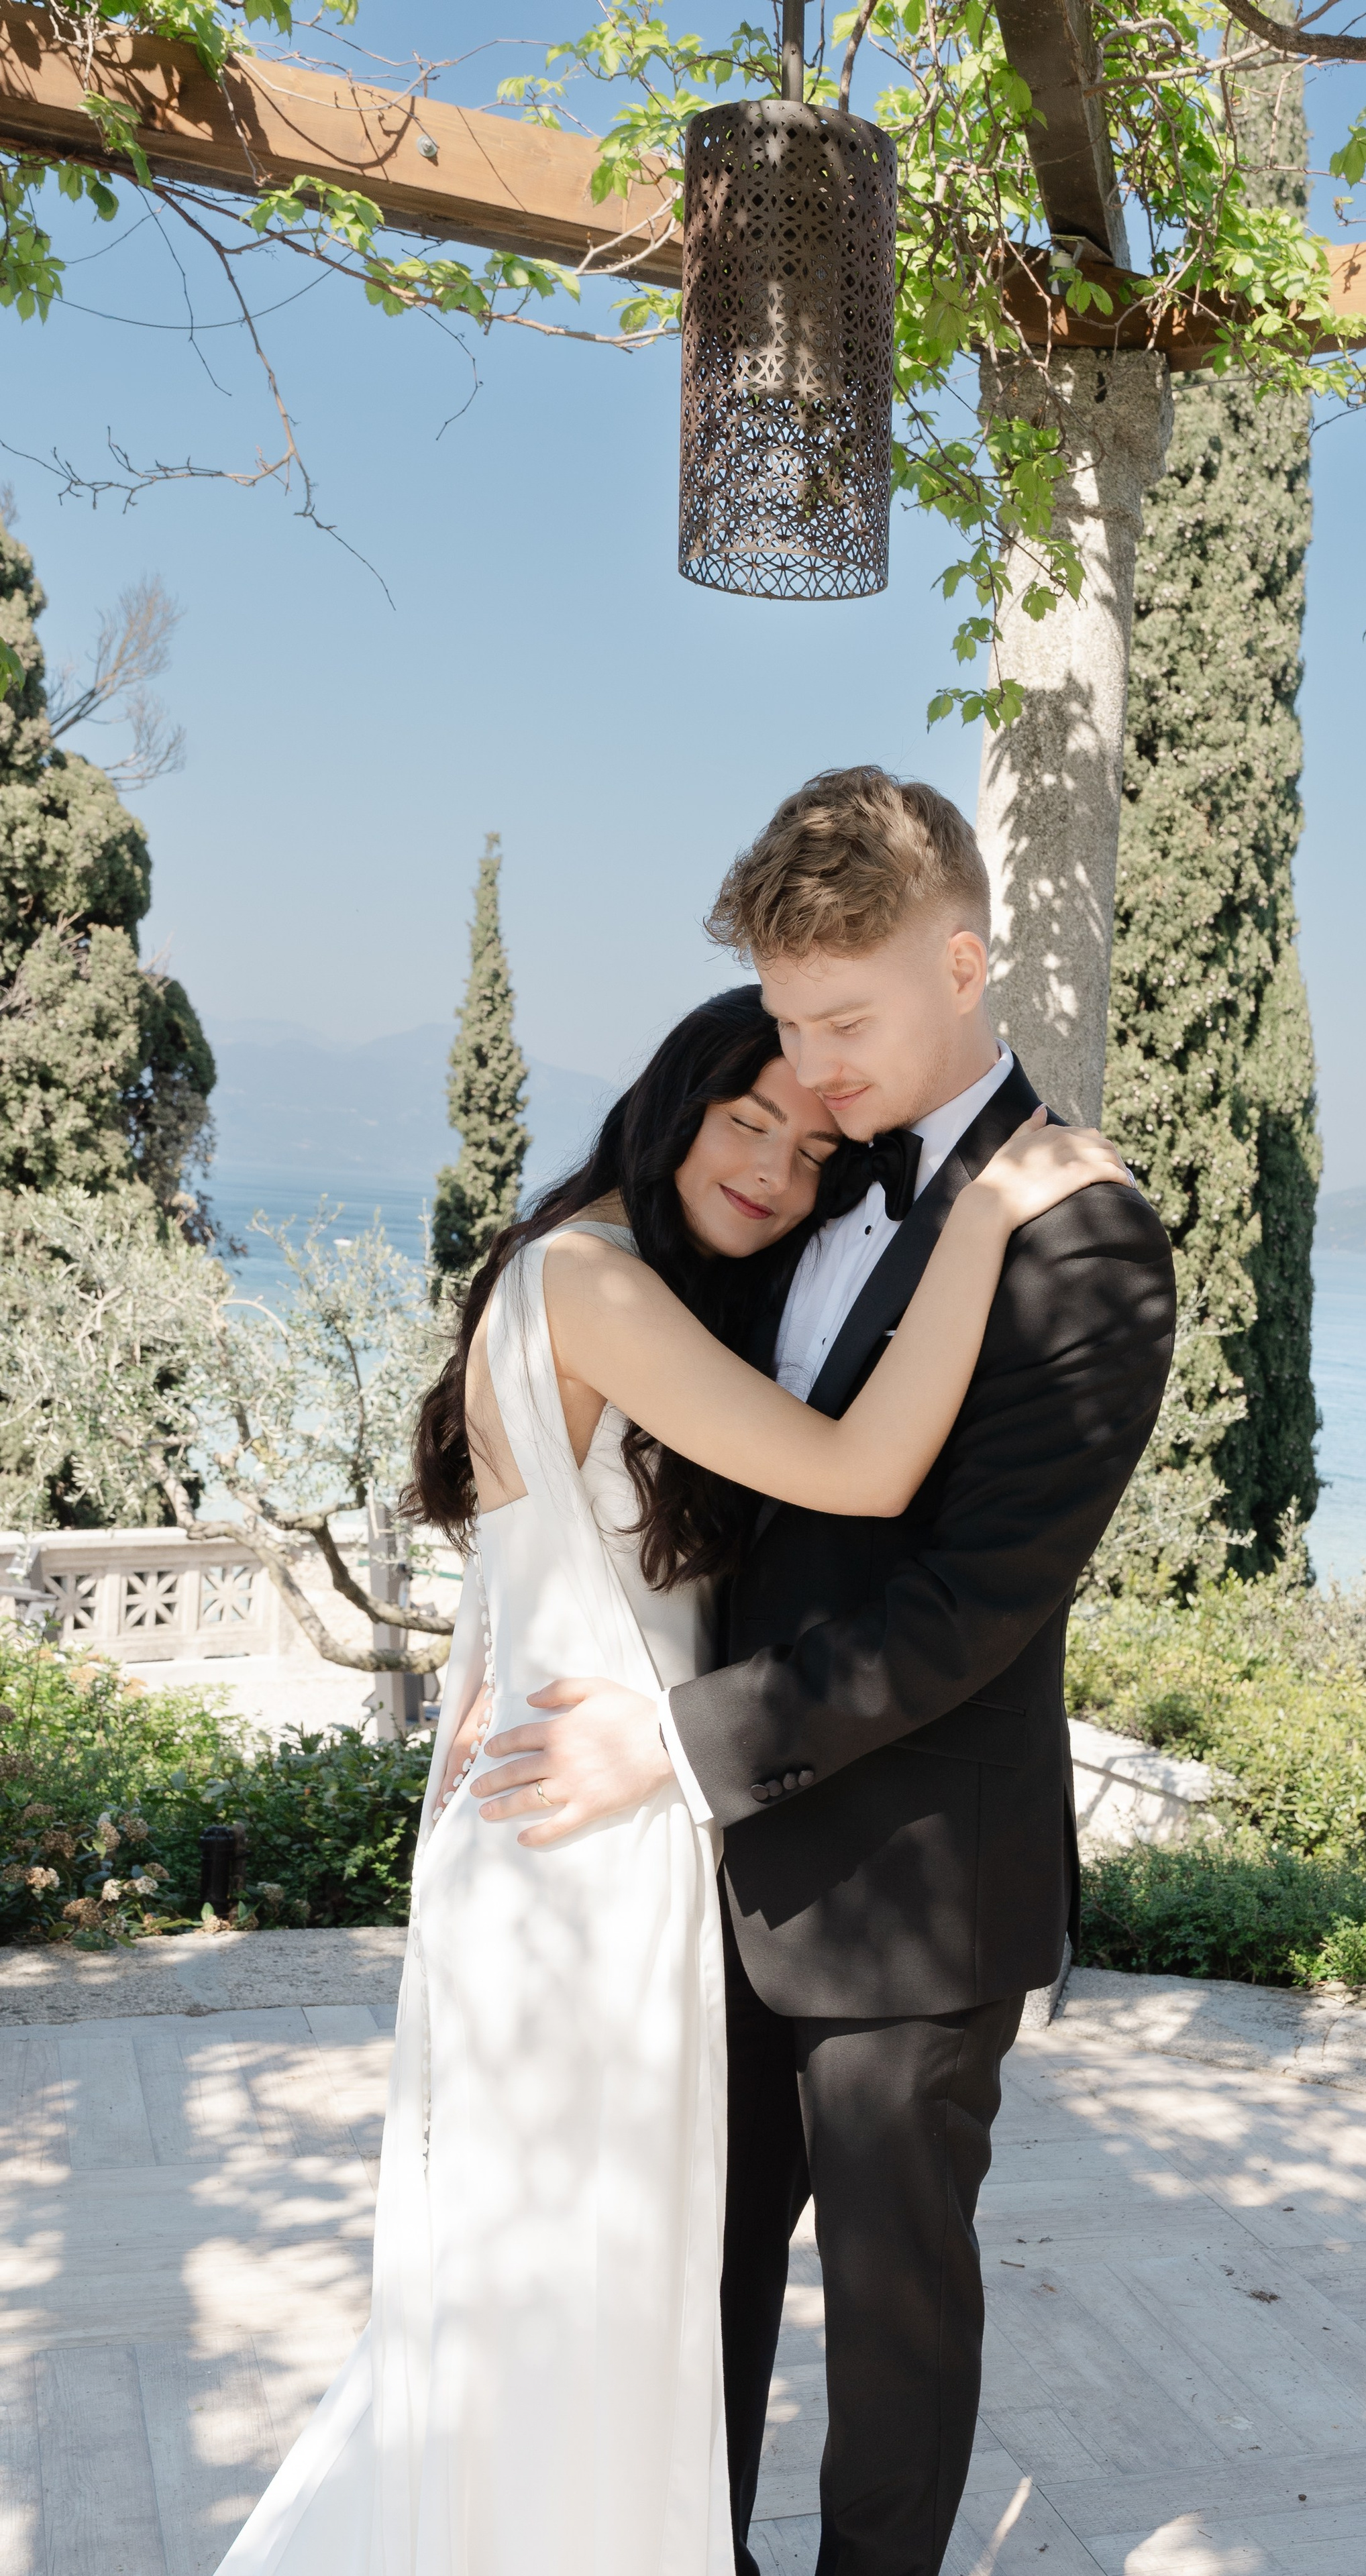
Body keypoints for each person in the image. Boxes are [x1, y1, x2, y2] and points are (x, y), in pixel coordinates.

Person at [215, 980, 1130, 2576]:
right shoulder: (602, 1286)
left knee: (564, 2288)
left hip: (586, 1822)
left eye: (807, 1143)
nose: (776, 1166)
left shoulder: (584, 1272)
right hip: (591, 1838)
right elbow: (859, 1472)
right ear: (671, 1106)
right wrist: (981, 1222)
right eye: (744, 1118)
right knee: (578, 2285)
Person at [488, 769, 1178, 2576]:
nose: (813, 1065)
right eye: (787, 1020)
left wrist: (677, 1746)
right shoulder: (803, 1179)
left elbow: (973, 1602)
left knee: (890, 2344)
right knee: (687, 2303)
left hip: (914, 1895)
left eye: (846, 1018)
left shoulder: (1087, 1239)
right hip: (702, 1889)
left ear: (963, 963)